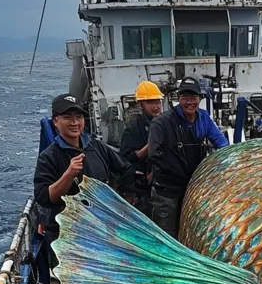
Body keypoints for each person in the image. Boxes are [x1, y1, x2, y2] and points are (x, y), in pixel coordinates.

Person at [34, 95, 135, 244]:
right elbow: (43, 197)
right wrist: (68, 175)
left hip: (103, 227)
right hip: (68, 234)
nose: (74, 123)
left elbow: (125, 168)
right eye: (67, 117)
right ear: (56, 121)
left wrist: (124, 200)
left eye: (79, 117)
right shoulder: (49, 156)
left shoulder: (95, 146)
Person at [148, 75, 229, 237]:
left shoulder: (203, 117)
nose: (190, 102)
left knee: (193, 233)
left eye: (194, 97)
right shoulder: (161, 123)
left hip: (193, 188)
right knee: (168, 237)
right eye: (185, 97)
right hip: (168, 191)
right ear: (178, 99)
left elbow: (222, 144)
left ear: (200, 98)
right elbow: (154, 154)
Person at [120, 81, 164, 217]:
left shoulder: (166, 122)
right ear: (142, 105)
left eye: (158, 101)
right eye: (151, 102)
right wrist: (152, 144)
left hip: (165, 185)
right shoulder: (133, 129)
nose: (156, 106)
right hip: (143, 190)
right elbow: (126, 159)